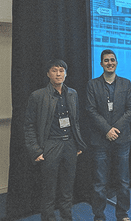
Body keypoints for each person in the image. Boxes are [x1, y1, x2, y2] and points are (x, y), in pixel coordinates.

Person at [24, 59, 87, 221]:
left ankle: (67, 218)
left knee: (67, 189)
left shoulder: (72, 93)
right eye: (54, 70)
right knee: (49, 190)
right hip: (51, 145)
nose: (58, 74)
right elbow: (29, 125)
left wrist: (78, 143)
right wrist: (36, 150)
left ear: (66, 73)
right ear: (48, 74)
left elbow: (76, 121)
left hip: (70, 145)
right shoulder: (37, 96)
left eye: (61, 70)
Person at [86, 49, 131, 221]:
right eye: (106, 60)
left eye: (112, 60)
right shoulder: (92, 84)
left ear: (116, 62)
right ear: (101, 64)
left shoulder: (126, 83)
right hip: (100, 139)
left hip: (122, 139)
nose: (110, 63)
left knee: (123, 181)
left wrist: (114, 129)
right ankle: (99, 216)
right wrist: (107, 130)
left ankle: (122, 214)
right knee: (100, 183)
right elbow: (91, 110)